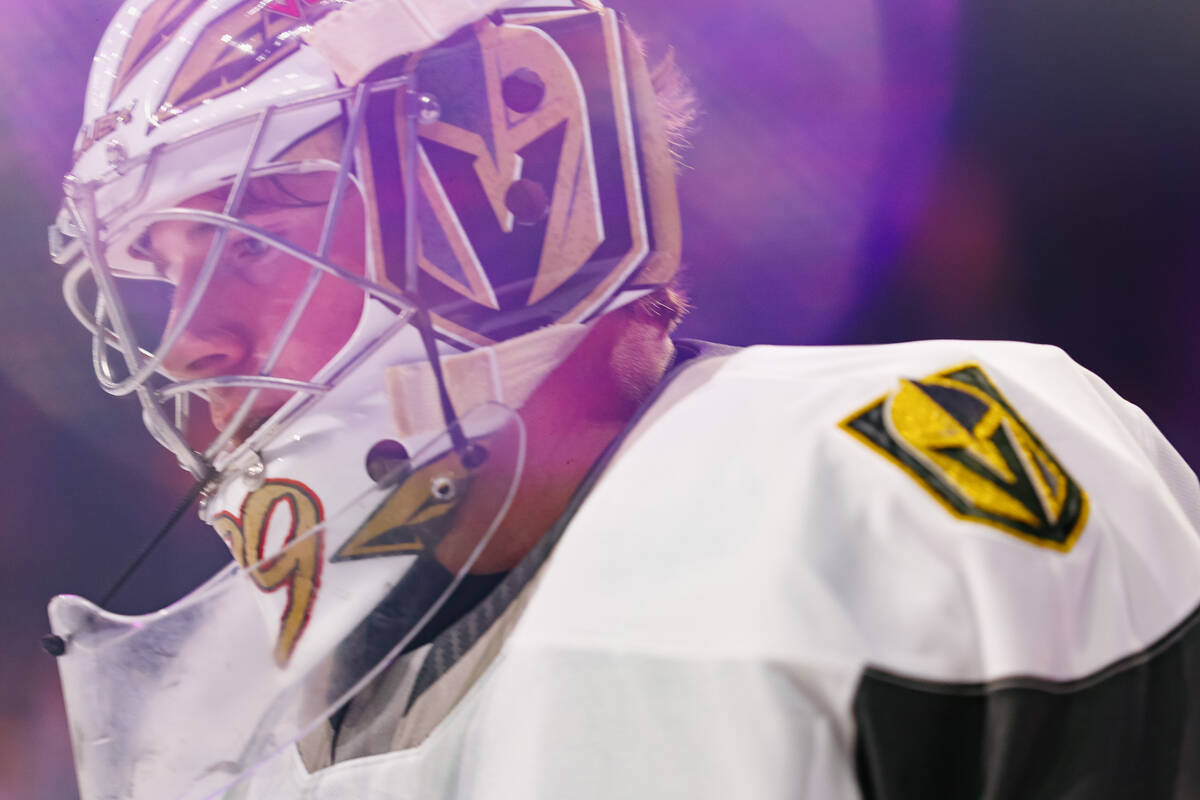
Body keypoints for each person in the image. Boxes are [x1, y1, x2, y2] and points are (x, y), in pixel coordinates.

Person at [45, 0, 1200, 798]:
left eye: (246, 239)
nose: (193, 342)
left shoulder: (885, 465)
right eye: (170, 266)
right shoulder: (255, 713)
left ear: (506, 193)